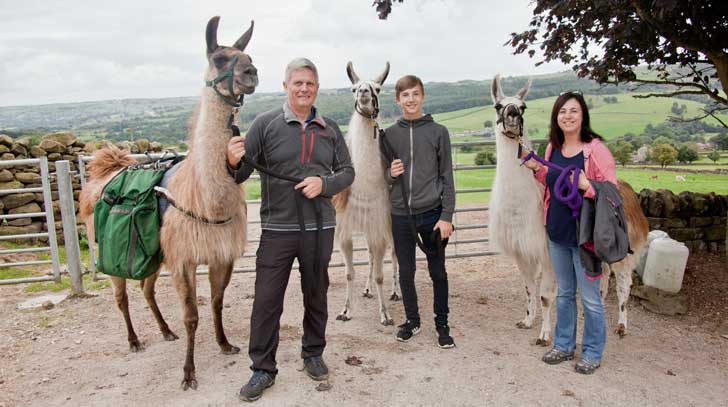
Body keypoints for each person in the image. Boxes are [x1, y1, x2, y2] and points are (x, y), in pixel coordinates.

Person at [227, 57, 354, 401]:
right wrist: (232, 160)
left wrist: (324, 184)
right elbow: (239, 174)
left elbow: (347, 172)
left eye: (310, 83)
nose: (303, 88)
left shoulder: (329, 128)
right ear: (286, 86)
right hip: (278, 227)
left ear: (316, 88)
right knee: (267, 300)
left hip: (320, 226)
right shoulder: (265, 125)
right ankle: (262, 369)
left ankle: (313, 353)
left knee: (316, 292)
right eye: (297, 82)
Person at [522, 90, 617, 374]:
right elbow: (552, 181)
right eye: (563, 111)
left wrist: (588, 186)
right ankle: (564, 345)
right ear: (556, 117)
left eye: (573, 111)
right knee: (564, 293)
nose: (568, 116)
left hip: (586, 236)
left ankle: (591, 352)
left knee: (589, 297)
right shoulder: (554, 148)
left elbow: (611, 192)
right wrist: (538, 168)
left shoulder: (595, 150)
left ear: (583, 114)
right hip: (558, 233)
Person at [382, 75, 456, 349]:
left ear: (422, 96)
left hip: (432, 213)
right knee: (406, 271)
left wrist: (446, 215)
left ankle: (442, 323)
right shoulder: (389, 135)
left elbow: (447, 176)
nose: (410, 100)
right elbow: (383, 177)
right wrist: (391, 174)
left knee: (438, 272)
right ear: (397, 99)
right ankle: (412, 320)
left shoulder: (439, 132)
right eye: (405, 95)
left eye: (415, 94)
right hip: (401, 215)